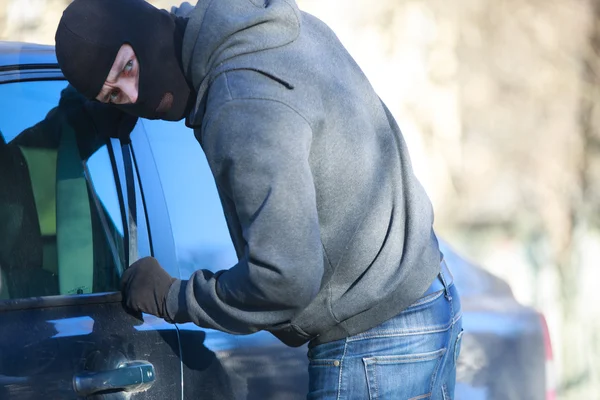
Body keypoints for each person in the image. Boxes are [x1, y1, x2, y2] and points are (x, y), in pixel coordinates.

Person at [55, 0, 463, 398]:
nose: (133, 94)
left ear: (145, 34)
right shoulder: (260, 29)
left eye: (129, 67)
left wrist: (172, 296)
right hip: (425, 296)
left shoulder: (239, 104)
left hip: (373, 346)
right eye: (114, 95)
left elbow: (284, 279)